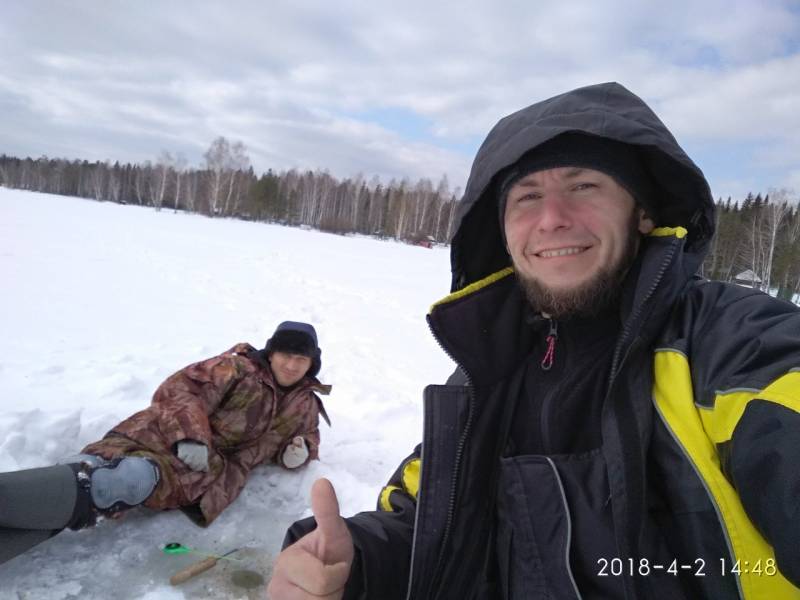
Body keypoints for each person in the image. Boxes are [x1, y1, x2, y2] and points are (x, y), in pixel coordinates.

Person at [267, 83, 800, 600]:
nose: (552, 219)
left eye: (583, 186)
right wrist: (355, 564)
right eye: (527, 197)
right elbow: (426, 516)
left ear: (642, 212)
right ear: (501, 231)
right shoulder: (485, 373)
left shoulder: (730, 346)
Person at [0, 320, 330, 566]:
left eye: (300, 360)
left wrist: (297, 453)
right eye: (285, 355)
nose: (291, 365)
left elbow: (307, 440)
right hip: (161, 435)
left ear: (311, 363)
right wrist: (190, 436)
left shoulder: (305, 406)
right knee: (104, 480)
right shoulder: (237, 368)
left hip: (203, 472)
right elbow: (181, 390)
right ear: (271, 353)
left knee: (110, 489)